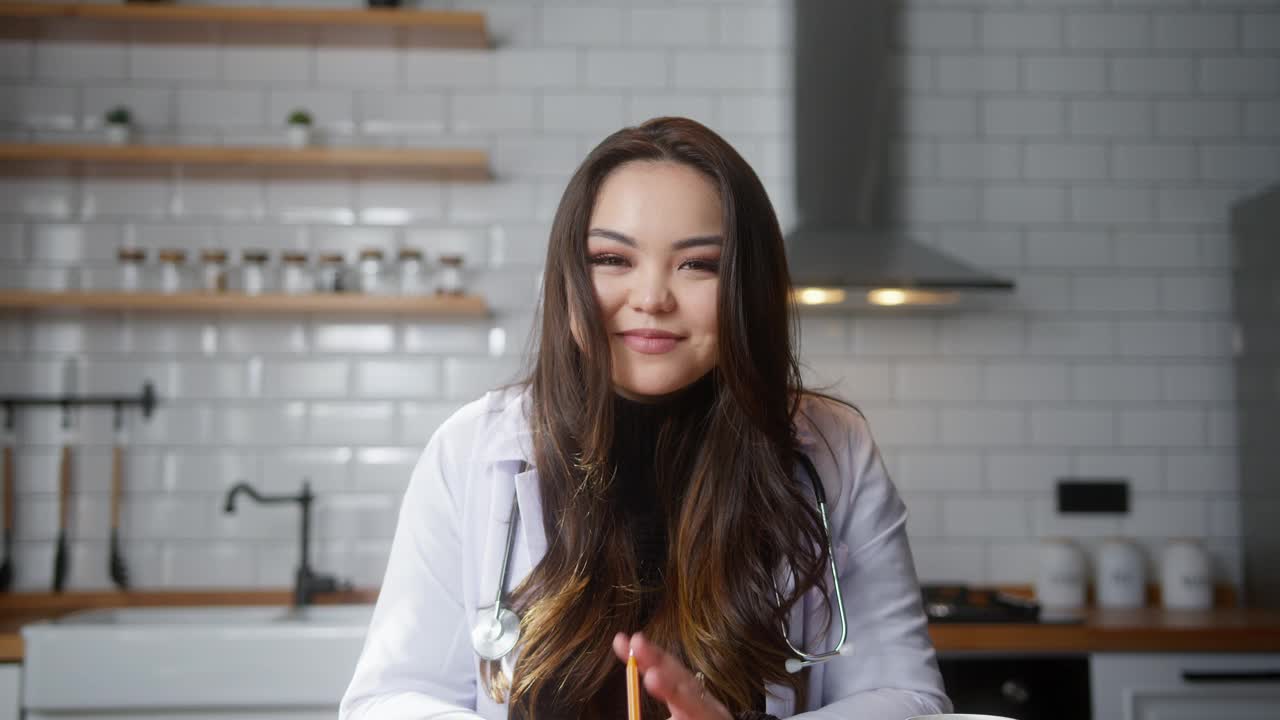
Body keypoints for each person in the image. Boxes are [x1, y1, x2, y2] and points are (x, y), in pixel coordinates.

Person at [339, 117, 950, 720]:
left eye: (698, 265)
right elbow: (386, 700)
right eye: (612, 258)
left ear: (747, 284)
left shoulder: (831, 448)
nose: (652, 297)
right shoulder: (472, 448)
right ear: (569, 274)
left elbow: (909, 697)